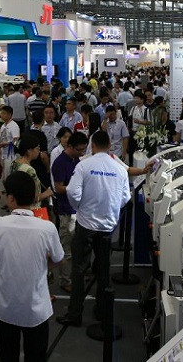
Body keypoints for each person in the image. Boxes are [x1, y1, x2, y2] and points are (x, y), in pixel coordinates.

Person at [0, 171, 64, 362]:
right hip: (36, 307)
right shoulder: (47, 228)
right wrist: (41, 266)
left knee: (8, 354)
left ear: (11, 198)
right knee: (36, 355)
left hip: (5, 306)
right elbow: (58, 258)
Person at [57, 131, 130, 328]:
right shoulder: (120, 168)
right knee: (104, 269)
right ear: (109, 146)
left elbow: (72, 192)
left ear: (93, 145)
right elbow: (125, 197)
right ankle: (102, 311)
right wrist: (110, 210)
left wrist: (80, 208)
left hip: (86, 224)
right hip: (107, 226)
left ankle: (75, 313)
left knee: (79, 269)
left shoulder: (84, 165)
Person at [51, 131, 88, 293]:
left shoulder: (76, 160)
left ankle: (75, 275)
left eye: (84, 149)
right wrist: (75, 188)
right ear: (70, 146)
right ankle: (65, 280)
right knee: (66, 248)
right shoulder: (60, 163)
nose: (82, 153)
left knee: (77, 248)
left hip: (78, 209)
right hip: (66, 210)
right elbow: (58, 188)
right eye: (79, 150)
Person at [10, 135, 53, 212]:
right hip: (31, 210)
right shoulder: (29, 170)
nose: (39, 151)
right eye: (37, 148)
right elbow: (33, 198)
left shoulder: (15, 163)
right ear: (29, 150)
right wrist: (47, 193)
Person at [0, 105, 20, 179]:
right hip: (3, 153)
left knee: (8, 175)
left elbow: (16, 140)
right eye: (1, 113)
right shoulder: (3, 126)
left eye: (3, 113)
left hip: (10, 155)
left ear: (9, 115)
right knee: (4, 175)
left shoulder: (14, 126)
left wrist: (6, 144)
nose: (1, 115)